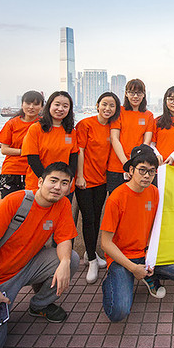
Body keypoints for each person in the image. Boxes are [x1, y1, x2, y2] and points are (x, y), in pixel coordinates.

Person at [0, 162, 80, 348]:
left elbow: (64, 240)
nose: (57, 187)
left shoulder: (62, 205)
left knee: (71, 260)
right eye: (53, 181)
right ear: (41, 181)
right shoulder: (15, 201)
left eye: (64, 183)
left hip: (25, 267)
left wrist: (65, 263)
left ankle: (39, 305)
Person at [100, 145, 174, 322]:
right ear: (131, 170)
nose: (147, 176)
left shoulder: (154, 192)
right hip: (123, 258)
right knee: (118, 313)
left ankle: (151, 275)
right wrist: (132, 267)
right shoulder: (116, 198)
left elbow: (154, 227)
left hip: (146, 254)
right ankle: (113, 281)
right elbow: (105, 243)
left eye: (151, 171)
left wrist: (150, 253)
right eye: (142, 170)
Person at [76, 92, 121, 284]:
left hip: (103, 180)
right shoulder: (85, 124)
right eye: (104, 104)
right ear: (97, 105)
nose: (108, 109)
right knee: (88, 219)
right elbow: (80, 150)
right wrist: (79, 176)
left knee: (97, 218)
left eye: (112, 105)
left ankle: (90, 252)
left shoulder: (113, 128)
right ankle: (93, 261)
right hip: (85, 180)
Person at [21, 91, 78, 192]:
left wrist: (67, 181)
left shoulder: (71, 132)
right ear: (49, 105)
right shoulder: (35, 129)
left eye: (65, 106)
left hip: (63, 187)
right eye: (57, 104)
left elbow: (73, 160)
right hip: (39, 185)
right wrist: (47, 181)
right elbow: (32, 159)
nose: (60, 109)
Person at [107, 79, 155, 193]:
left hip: (137, 168)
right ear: (126, 94)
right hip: (117, 167)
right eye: (132, 92)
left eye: (139, 93)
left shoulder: (148, 115)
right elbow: (114, 139)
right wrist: (126, 164)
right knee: (116, 203)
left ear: (144, 95)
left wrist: (134, 166)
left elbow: (146, 143)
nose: (135, 96)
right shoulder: (119, 112)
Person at [0, 90, 44, 198]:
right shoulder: (12, 123)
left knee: (32, 208)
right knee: (10, 206)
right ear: (22, 105)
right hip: (12, 171)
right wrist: (27, 152)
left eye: (36, 104)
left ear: (41, 107)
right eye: (28, 103)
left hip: (35, 171)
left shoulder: (44, 124)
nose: (31, 107)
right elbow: (4, 149)